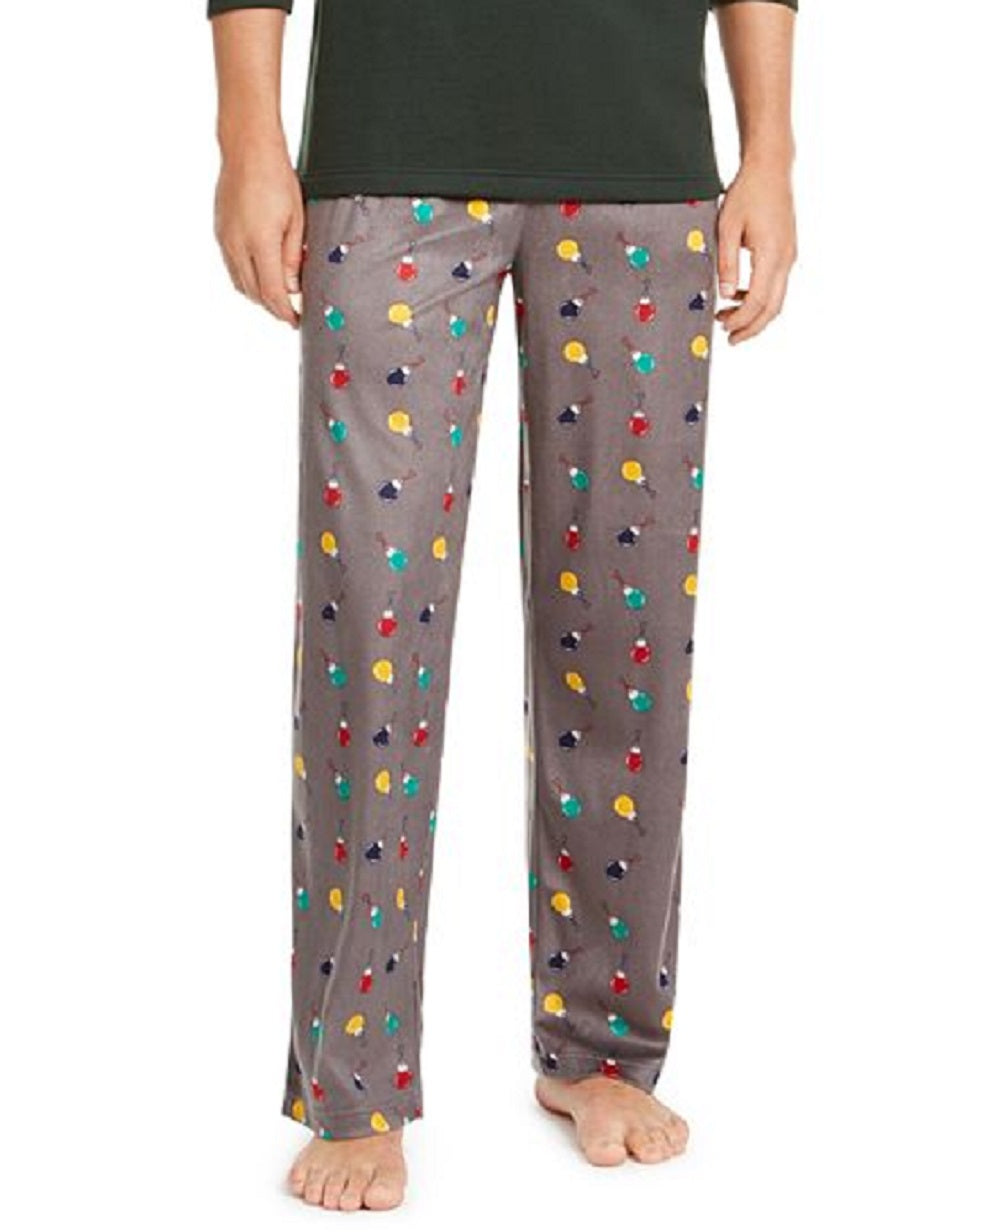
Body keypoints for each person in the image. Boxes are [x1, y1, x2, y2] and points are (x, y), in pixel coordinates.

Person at [207, 0, 798, 1212]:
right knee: (370, 627)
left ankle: (601, 1046)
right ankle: (354, 1082)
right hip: (390, 157)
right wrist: (248, 138)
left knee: (627, 635)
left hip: (641, 167)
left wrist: (771, 150)